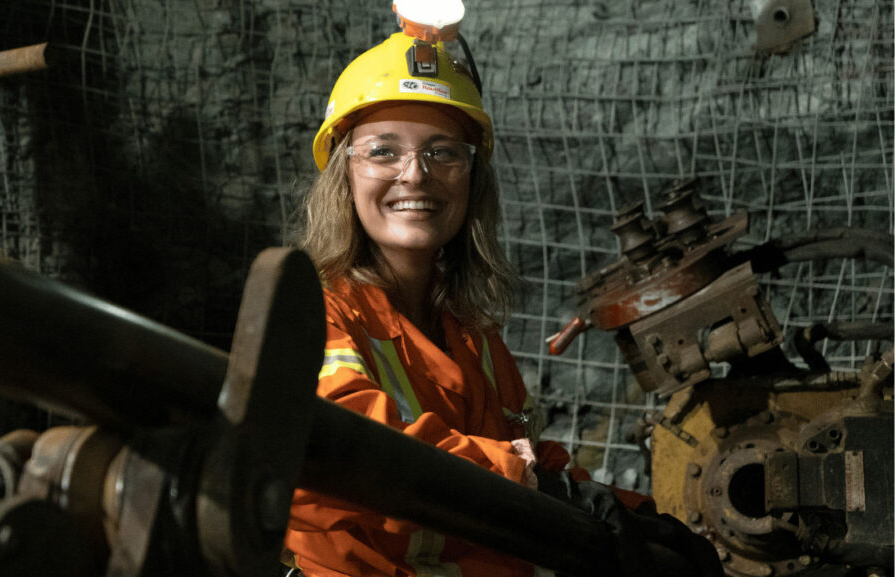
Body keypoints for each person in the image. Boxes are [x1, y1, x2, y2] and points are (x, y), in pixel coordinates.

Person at [284, 27, 721, 577]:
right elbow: (348, 450)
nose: (415, 173)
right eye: (383, 151)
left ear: (472, 179)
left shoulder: (473, 338)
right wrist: (530, 478)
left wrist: (637, 516)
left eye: (443, 152)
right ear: (344, 174)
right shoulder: (317, 314)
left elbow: (531, 456)